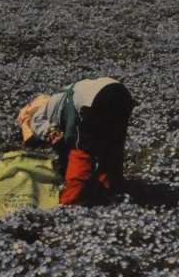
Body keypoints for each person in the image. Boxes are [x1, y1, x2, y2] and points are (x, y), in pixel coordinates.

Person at [17, 77, 135, 206]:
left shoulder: (36, 118)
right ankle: (111, 188)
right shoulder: (58, 98)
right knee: (112, 145)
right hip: (121, 93)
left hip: (92, 100)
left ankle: (72, 200)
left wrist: (60, 145)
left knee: (82, 151)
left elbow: (57, 137)